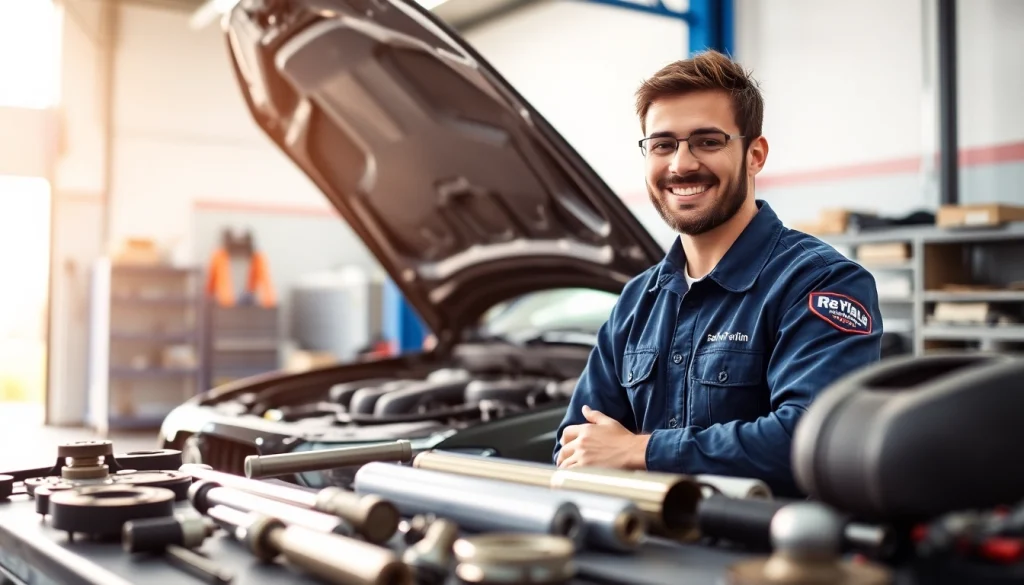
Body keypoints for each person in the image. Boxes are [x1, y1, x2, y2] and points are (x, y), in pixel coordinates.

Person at [551, 50, 883, 497]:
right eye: (663, 144)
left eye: (708, 141)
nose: (681, 164)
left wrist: (642, 452)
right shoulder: (636, 302)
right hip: (643, 549)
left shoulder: (821, 284)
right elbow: (575, 444)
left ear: (755, 154)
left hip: (768, 557)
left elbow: (811, 439)